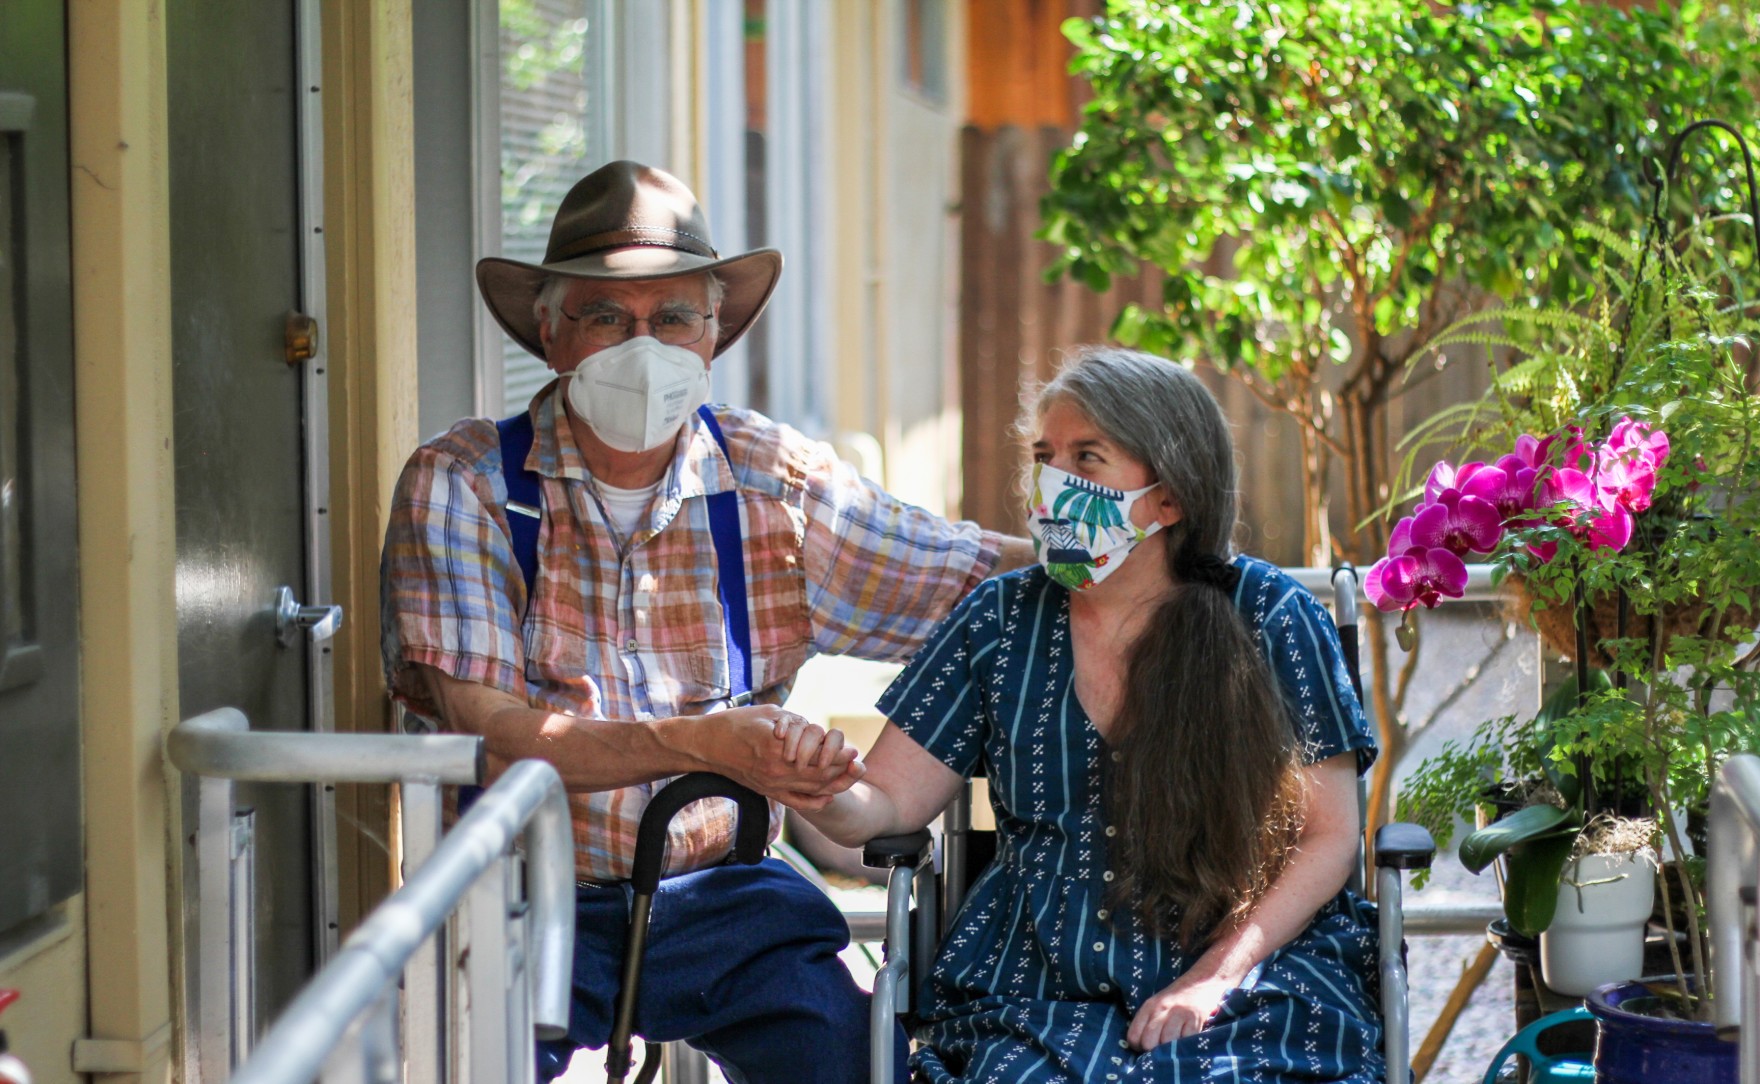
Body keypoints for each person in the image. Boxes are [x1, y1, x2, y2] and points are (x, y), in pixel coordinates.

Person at [380, 160, 1034, 1083]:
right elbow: (492, 739)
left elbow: (966, 574)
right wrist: (707, 743)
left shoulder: (771, 479)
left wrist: (1141, 553)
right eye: (607, 316)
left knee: (856, 1060)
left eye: (674, 317)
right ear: (551, 332)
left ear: (714, 333)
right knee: (457, 1062)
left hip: (729, 899)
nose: (643, 345)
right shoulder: (466, 483)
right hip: (523, 899)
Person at [792, 347, 1385, 1082]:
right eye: (1045, 457)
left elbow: (1330, 837)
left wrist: (1214, 978)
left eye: (1087, 457)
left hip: (1254, 981)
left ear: (1170, 499)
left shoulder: (1272, 617)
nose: (1053, 483)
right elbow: (884, 803)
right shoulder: (999, 620)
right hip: (1035, 989)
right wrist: (816, 785)